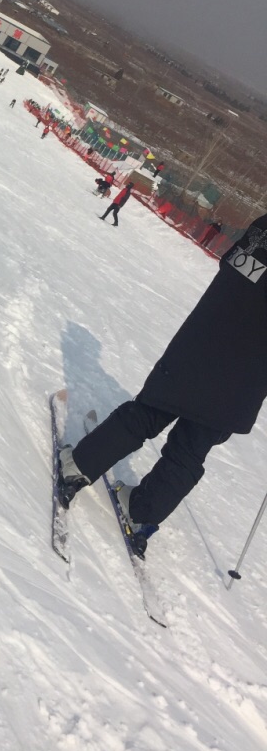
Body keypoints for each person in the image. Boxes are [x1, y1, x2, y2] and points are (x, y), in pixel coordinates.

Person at [57, 213, 267, 555]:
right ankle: (141, 513)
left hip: (205, 342)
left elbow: (230, 264)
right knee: (190, 448)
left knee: (151, 411)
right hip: (244, 378)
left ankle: (79, 467)